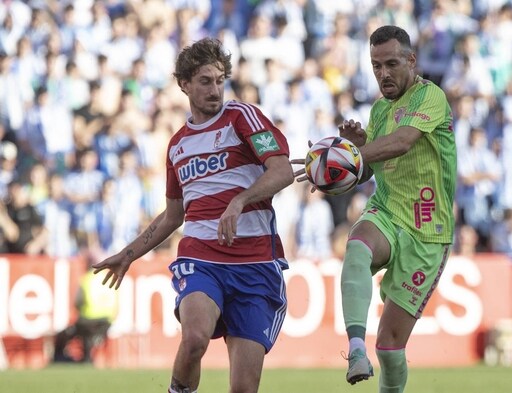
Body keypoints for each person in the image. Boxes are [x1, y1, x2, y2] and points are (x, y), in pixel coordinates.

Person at [92, 37, 294, 393]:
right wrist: (128, 256)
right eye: (205, 81)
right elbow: (172, 216)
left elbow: (281, 171)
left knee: (243, 389)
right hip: (201, 257)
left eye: (219, 80)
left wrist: (240, 200)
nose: (215, 89)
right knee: (195, 338)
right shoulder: (177, 146)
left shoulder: (241, 118)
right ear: (184, 84)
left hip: (256, 264)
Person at [294, 25, 457, 392]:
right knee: (356, 247)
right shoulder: (380, 110)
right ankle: (354, 348)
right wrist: (352, 153)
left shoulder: (430, 96)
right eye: (375, 66)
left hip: (427, 233)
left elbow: (401, 143)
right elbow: (367, 169)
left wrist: (342, 157)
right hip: (387, 210)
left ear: (412, 60)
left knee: (390, 347)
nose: (383, 73)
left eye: (391, 63)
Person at [53, 253, 119, 363]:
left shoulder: (86, 280)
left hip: (88, 320)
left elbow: (78, 303)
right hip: (106, 322)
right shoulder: (110, 278)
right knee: (86, 334)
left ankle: (61, 359)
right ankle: (87, 357)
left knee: (72, 332)